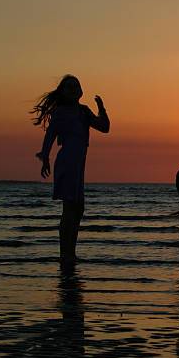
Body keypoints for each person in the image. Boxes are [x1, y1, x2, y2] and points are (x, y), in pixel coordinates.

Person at [32, 74, 110, 263]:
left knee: (78, 208)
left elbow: (104, 127)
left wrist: (101, 109)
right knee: (69, 208)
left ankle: (70, 252)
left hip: (78, 166)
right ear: (62, 91)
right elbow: (50, 135)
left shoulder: (83, 111)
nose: (73, 89)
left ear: (81, 91)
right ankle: (65, 253)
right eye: (69, 86)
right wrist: (45, 157)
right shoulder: (60, 112)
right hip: (67, 163)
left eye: (76, 86)